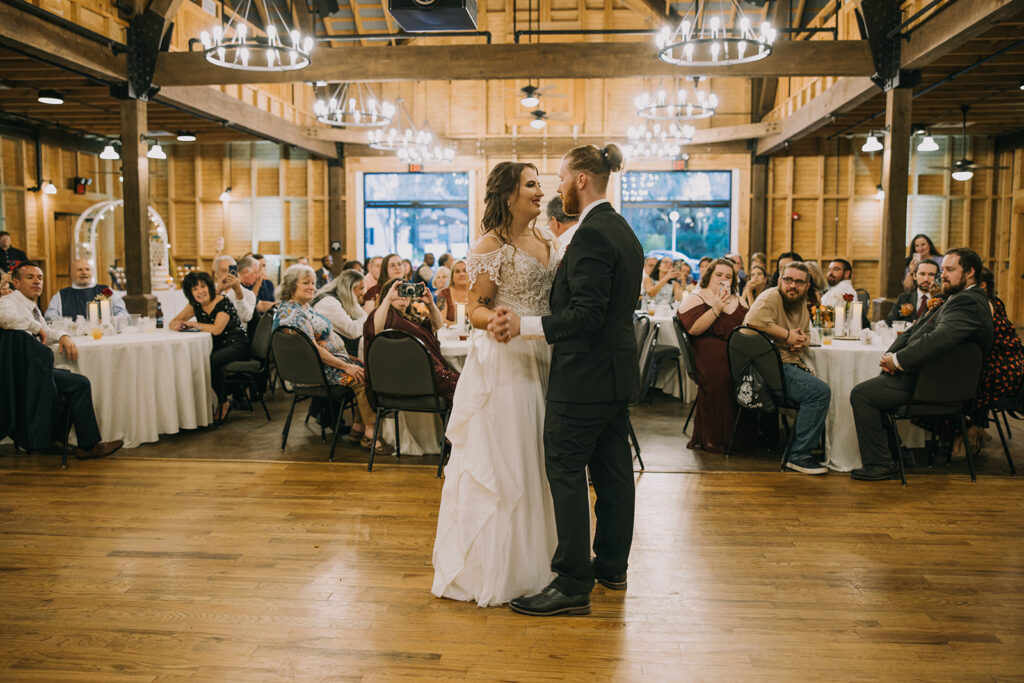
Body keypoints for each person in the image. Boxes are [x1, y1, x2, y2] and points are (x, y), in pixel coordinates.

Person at [489, 143, 643, 617]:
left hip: (583, 379)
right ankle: (612, 565)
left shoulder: (593, 234)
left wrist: (526, 325)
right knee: (614, 472)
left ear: (580, 179)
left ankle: (574, 580)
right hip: (615, 378)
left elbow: (588, 315)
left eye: (559, 177)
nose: (556, 187)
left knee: (565, 468)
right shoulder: (622, 230)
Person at [431, 162, 558, 609]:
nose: (540, 191)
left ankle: (543, 558)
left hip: (545, 354)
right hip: (508, 360)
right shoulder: (492, 245)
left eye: (540, 183)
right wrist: (499, 321)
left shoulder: (545, 239)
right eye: (531, 184)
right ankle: (503, 567)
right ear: (508, 194)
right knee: (511, 461)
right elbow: (475, 308)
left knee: (540, 459)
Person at [849, 249, 994, 481]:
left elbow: (938, 339)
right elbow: (918, 330)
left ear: (970, 272)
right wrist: (891, 355)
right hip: (927, 376)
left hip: (935, 383)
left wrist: (897, 360)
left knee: (862, 395)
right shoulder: (957, 297)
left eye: (949, 270)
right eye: (943, 269)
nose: (942, 275)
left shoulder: (968, 301)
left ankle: (881, 463)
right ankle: (897, 452)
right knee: (873, 386)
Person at [0, 261, 123, 459]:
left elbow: (46, 330)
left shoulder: (30, 306)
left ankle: (83, 444)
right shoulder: (9, 302)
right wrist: (35, 327)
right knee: (76, 383)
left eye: (40, 278)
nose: (37, 282)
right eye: (30, 277)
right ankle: (68, 442)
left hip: (36, 370)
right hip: (21, 374)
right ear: (16, 282)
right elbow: (4, 317)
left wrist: (63, 336)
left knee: (80, 383)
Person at [274, 265, 390, 455]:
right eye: (306, 283)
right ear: (291, 286)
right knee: (363, 377)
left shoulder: (300, 308)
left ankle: (358, 428)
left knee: (366, 369)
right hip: (313, 372)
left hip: (321, 366)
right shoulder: (293, 314)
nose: (312, 287)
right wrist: (346, 366)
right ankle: (370, 435)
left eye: (313, 282)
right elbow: (313, 350)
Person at [744, 261, 831, 475]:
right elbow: (752, 321)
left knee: (825, 384)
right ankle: (798, 455)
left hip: (788, 361)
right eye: (788, 280)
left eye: (799, 282)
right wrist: (787, 335)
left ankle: (819, 446)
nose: (793, 286)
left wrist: (803, 341)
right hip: (767, 367)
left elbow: (807, 332)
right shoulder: (770, 296)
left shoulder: (800, 301)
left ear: (807, 286)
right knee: (819, 392)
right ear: (780, 280)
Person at [677, 258, 756, 453]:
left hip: (736, 350)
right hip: (707, 350)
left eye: (728, 276)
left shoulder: (738, 299)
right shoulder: (698, 297)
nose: (723, 279)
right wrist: (717, 309)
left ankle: (745, 436)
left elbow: (749, 326)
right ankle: (716, 437)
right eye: (718, 275)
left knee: (754, 372)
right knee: (721, 375)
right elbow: (694, 329)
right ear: (709, 277)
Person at [169, 271, 250, 423]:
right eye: (195, 289)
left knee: (210, 362)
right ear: (190, 293)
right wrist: (179, 324)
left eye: (203, 286)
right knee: (196, 361)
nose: (200, 291)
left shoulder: (222, 302)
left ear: (210, 287)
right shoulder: (195, 305)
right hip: (218, 347)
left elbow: (216, 329)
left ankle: (223, 402)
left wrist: (193, 324)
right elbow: (173, 322)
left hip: (237, 344)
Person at [364, 277, 458, 402]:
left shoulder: (411, 319)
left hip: (422, 374)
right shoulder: (381, 315)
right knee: (465, 384)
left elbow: (437, 325)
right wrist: (388, 299)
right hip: (408, 377)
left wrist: (430, 303)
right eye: (398, 290)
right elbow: (376, 330)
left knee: (467, 382)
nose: (403, 295)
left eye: (406, 290)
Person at [963, 268, 1024, 456]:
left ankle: (966, 431)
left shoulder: (982, 307)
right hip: (1015, 366)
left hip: (1004, 373)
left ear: (982, 287)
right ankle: (973, 427)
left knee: (962, 382)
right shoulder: (996, 302)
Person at [43, 259, 128, 322]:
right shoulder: (61, 295)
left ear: (92, 272)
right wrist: (70, 324)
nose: (84, 272)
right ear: (71, 274)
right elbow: (50, 317)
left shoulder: (106, 291)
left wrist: (110, 320)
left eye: (87, 269)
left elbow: (123, 313)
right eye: (80, 270)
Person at [311, 268, 367, 350]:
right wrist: (369, 314)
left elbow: (362, 316)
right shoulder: (328, 302)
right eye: (361, 288)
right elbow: (352, 331)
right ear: (349, 288)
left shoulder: (345, 297)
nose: (363, 293)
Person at [886, 259, 939, 324]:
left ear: (937, 277)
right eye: (922, 274)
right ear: (914, 276)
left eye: (931, 274)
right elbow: (889, 323)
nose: (926, 279)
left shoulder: (941, 300)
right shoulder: (904, 298)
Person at [211, 255, 256, 324]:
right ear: (216, 274)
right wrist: (218, 291)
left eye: (230, 271)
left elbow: (246, 318)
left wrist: (238, 291)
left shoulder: (248, 294)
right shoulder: (209, 291)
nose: (227, 274)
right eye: (223, 271)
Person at [435, 260, 469, 324]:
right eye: (457, 271)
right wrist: (459, 326)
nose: (461, 274)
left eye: (465, 271)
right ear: (452, 276)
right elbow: (441, 320)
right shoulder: (444, 293)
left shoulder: (476, 293)